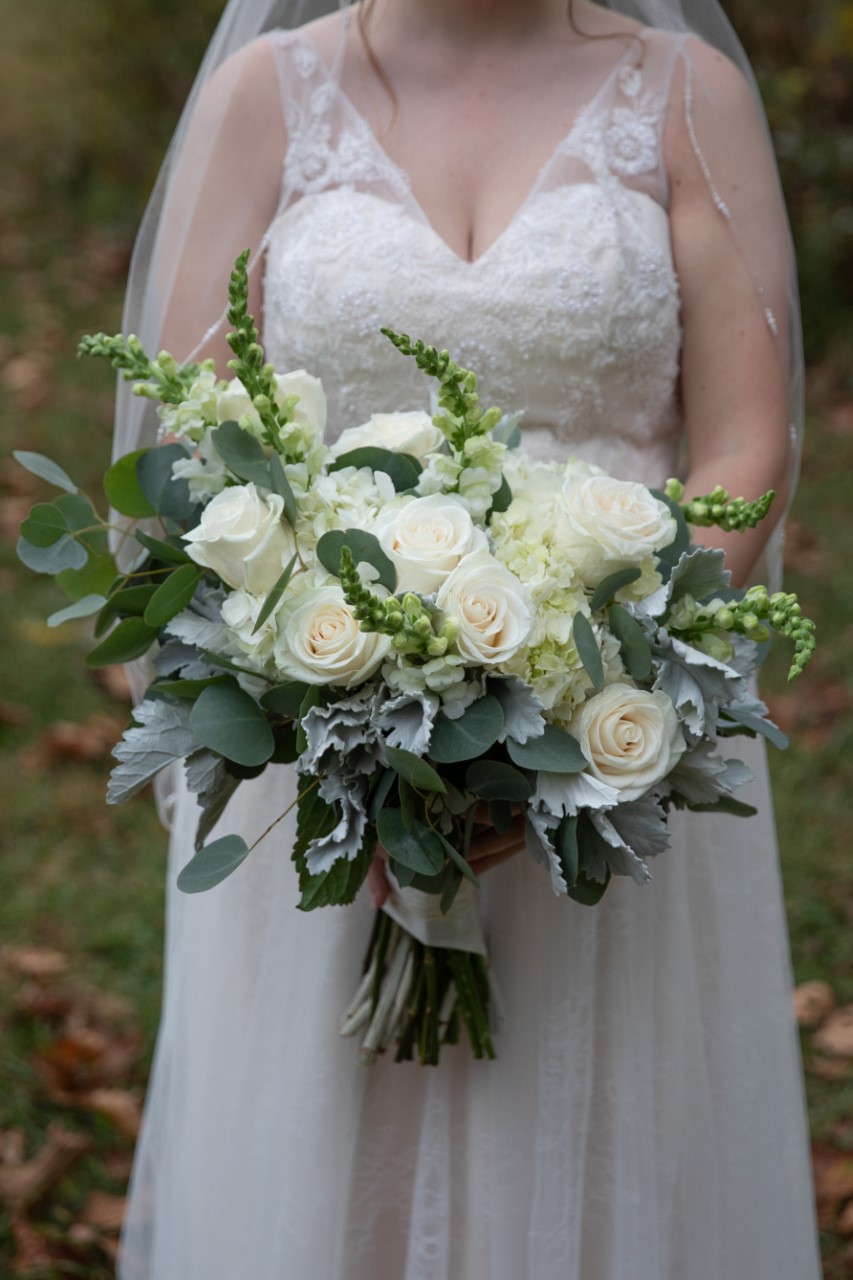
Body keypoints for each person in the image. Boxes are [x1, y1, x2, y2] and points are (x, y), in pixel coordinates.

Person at [115, 1, 822, 1276]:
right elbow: (187, 450)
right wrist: (328, 702)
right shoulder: (267, 97)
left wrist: (580, 690)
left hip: (613, 746)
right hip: (316, 748)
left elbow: (740, 454)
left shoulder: (682, 94)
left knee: (591, 1127)